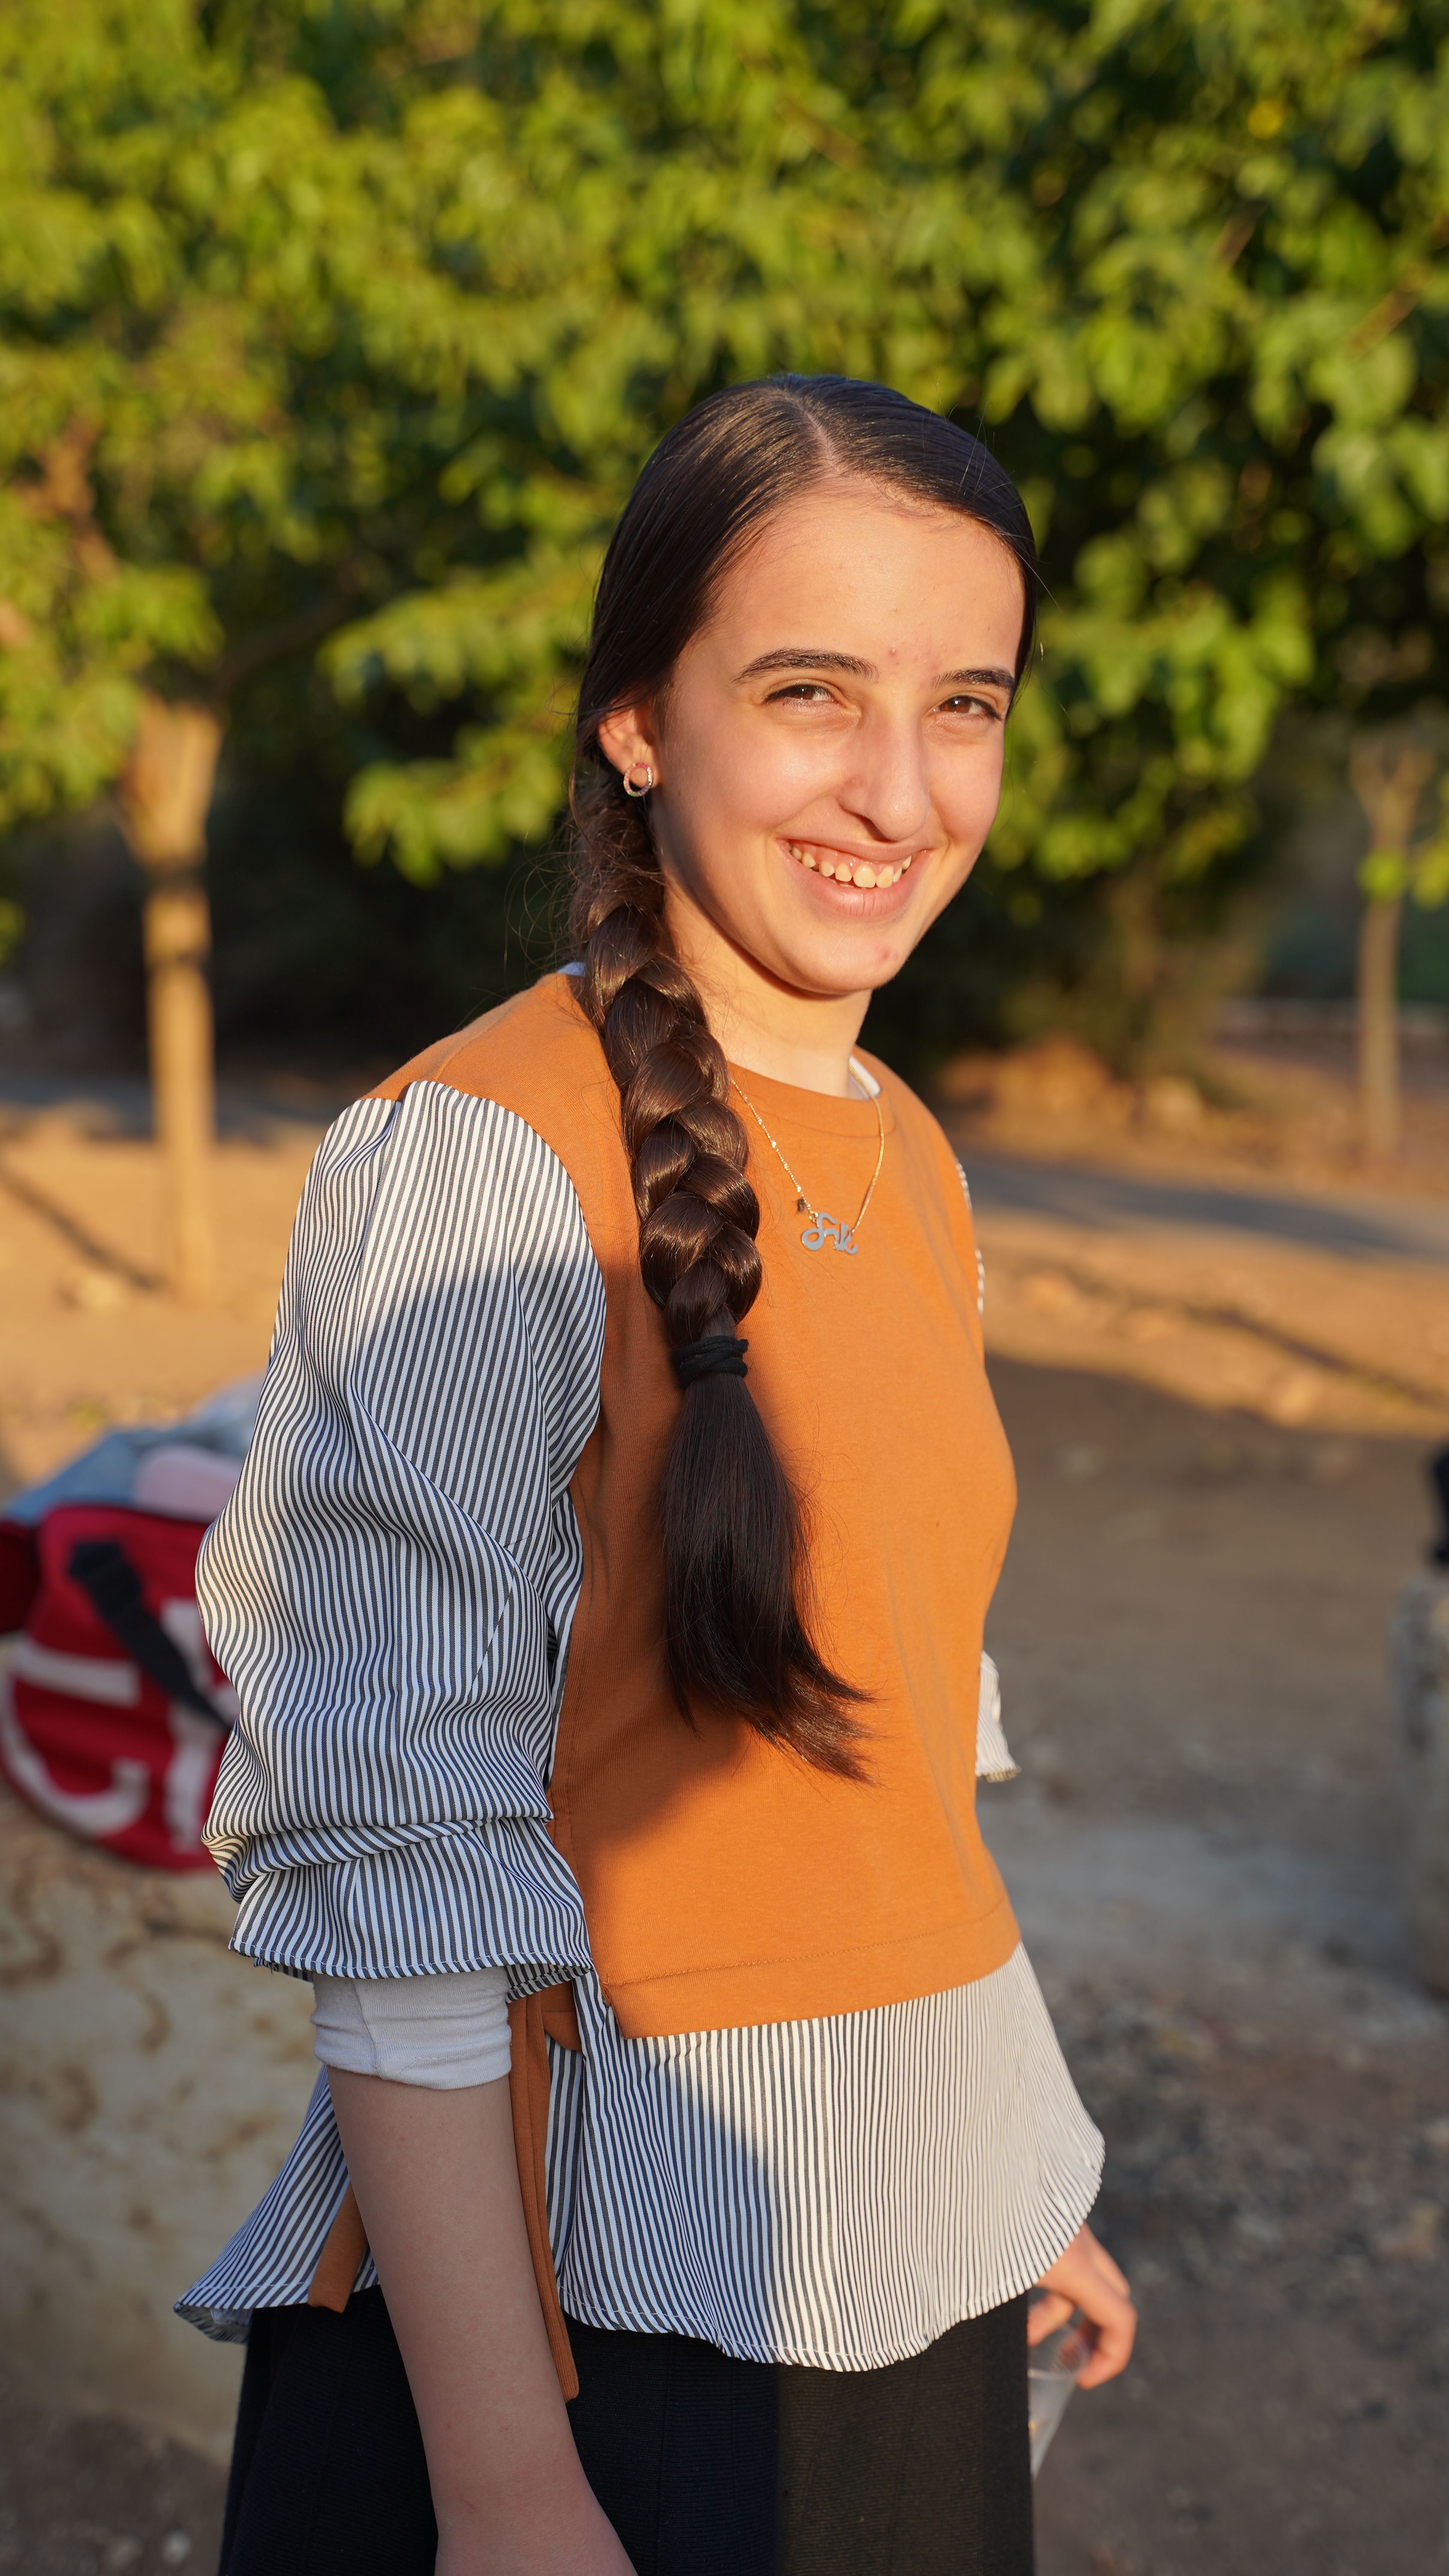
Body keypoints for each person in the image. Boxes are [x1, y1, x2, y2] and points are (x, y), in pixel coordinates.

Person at [180, 374, 1135, 2576]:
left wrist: (1007, 2180)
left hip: (889, 2263)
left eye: (965, 705)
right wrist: (509, 2490)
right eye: (812, 693)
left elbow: (888, 1770)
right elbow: (404, 1867)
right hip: (590, 2327)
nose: (900, 791)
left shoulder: (907, 1155)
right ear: (637, 720)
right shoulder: (473, 1164)